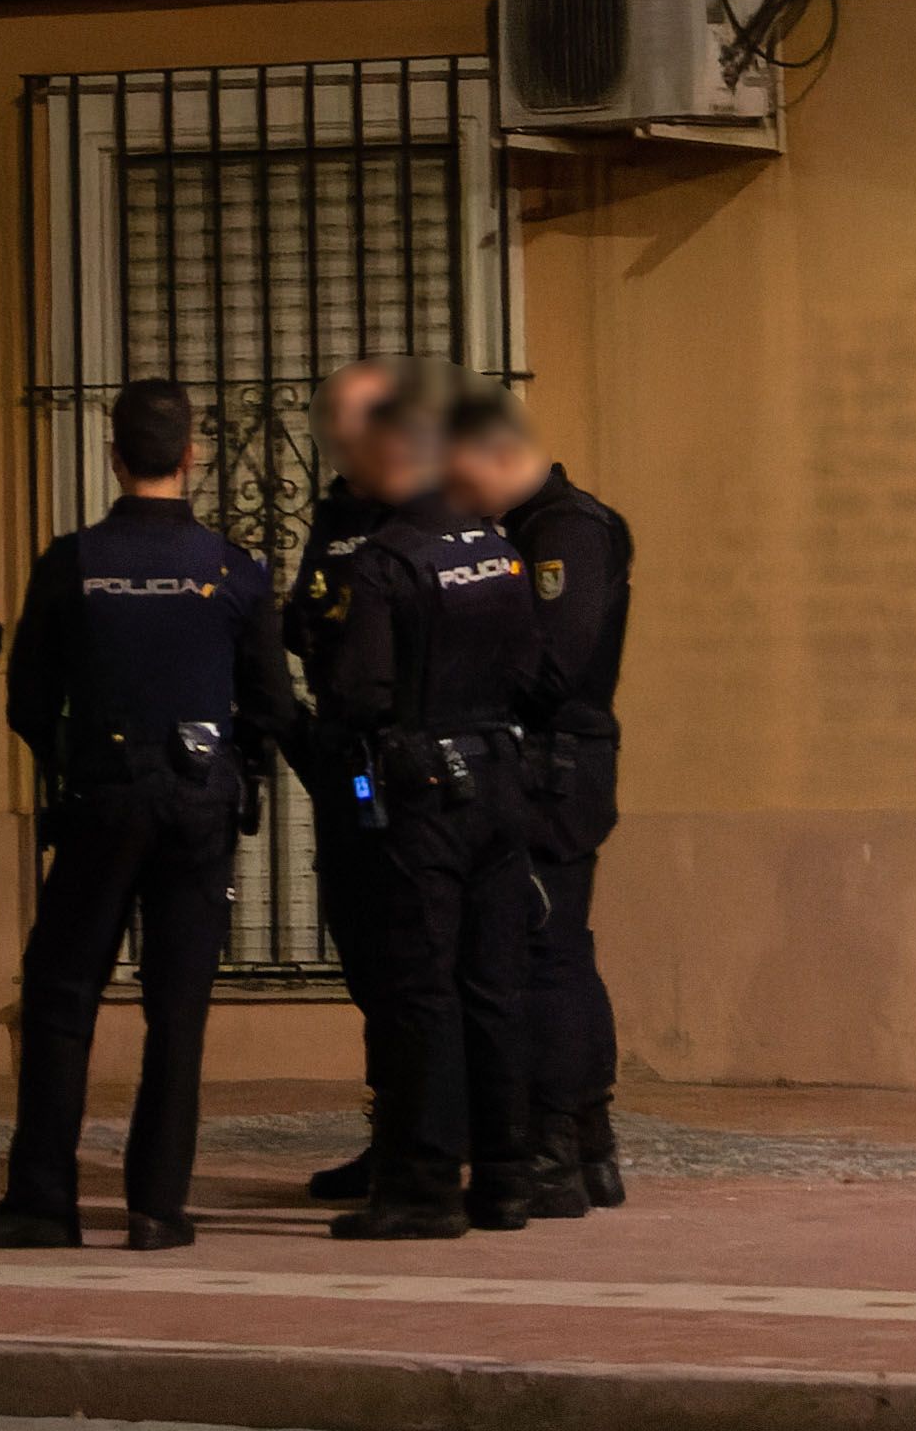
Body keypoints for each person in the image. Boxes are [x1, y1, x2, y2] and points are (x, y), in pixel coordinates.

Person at [0, 376, 293, 1253]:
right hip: (199, 802)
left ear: (114, 455)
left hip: (104, 797)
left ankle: (41, 1201)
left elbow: (28, 698)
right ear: (192, 456)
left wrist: (73, 761)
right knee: (178, 1011)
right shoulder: (233, 568)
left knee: (63, 996)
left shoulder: (72, 561)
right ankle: (156, 1208)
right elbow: (269, 701)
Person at [316, 380, 565, 1240]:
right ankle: (503, 1178)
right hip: (498, 776)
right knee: (494, 985)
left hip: (422, 790)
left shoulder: (386, 559)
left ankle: (422, 1187)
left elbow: (358, 690)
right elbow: (536, 671)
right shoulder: (496, 550)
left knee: (421, 988)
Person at [461, 389, 633, 1210]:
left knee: (543, 951)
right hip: (551, 762)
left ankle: (553, 1149)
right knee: (558, 945)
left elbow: (558, 665)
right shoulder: (536, 527)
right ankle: (589, 1144)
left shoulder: (564, 529)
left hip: (553, 767)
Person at [282, 360, 442, 1205]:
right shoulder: (337, 514)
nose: (345, 440)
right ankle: (390, 1136)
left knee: (418, 962)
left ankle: (437, 1143)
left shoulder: (427, 514)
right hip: (350, 761)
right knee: (367, 955)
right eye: (334, 426)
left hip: (411, 764)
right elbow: (306, 613)